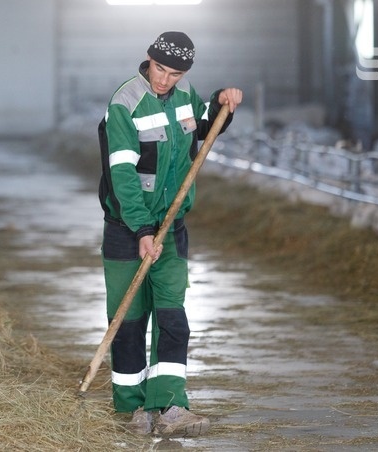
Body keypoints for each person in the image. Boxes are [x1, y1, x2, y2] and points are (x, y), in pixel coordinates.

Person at [97, 31, 243, 437]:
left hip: (173, 226)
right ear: (148, 59)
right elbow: (122, 175)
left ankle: (170, 405)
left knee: (172, 317)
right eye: (160, 69)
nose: (164, 79)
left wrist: (222, 101)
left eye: (174, 73)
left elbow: (206, 124)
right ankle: (132, 410)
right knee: (128, 320)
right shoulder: (125, 103)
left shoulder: (184, 96)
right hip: (127, 229)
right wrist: (142, 229)